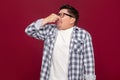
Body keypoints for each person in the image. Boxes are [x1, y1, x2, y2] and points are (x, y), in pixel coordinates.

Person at [25, 4, 96, 80]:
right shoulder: (50, 30)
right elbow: (29, 30)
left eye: (62, 15)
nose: (58, 17)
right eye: (58, 14)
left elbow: (89, 62)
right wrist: (46, 20)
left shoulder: (83, 35)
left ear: (72, 20)